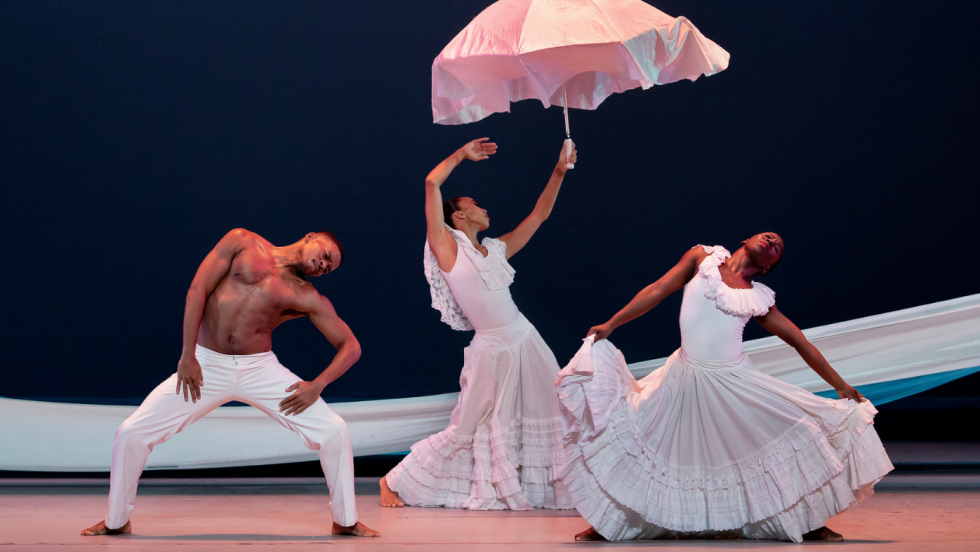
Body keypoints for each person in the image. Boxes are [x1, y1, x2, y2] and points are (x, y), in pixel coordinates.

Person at [556, 234, 893, 542]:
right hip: (685, 374)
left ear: (767, 267)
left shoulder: (757, 297)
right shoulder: (702, 258)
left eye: (778, 249)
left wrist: (840, 384)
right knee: (644, 433)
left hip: (734, 379)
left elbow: (798, 341)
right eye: (770, 237)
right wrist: (612, 323)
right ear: (746, 240)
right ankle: (611, 523)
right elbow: (657, 289)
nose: (774, 240)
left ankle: (808, 520)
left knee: (801, 428)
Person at [81, 229, 379, 538]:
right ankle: (117, 521)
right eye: (325, 255)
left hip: (260, 371)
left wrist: (318, 384)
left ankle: (345, 521)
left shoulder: (305, 295)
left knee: (334, 430)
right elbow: (197, 289)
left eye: (328, 268)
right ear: (310, 236)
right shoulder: (242, 241)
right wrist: (187, 354)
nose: (322, 265)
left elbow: (351, 347)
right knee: (131, 433)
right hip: (205, 366)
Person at [380, 138, 577, 510]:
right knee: (468, 428)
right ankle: (393, 480)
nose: (485, 209)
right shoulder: (447, 247)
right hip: (491, 351)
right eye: (476, 205)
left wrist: (558, 170)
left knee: (547, 411)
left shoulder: (496, 250)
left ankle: (526, 483)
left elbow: (539, 216)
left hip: (525, 341)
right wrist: (460, 154)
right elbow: (430, 184)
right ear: (459, 217)